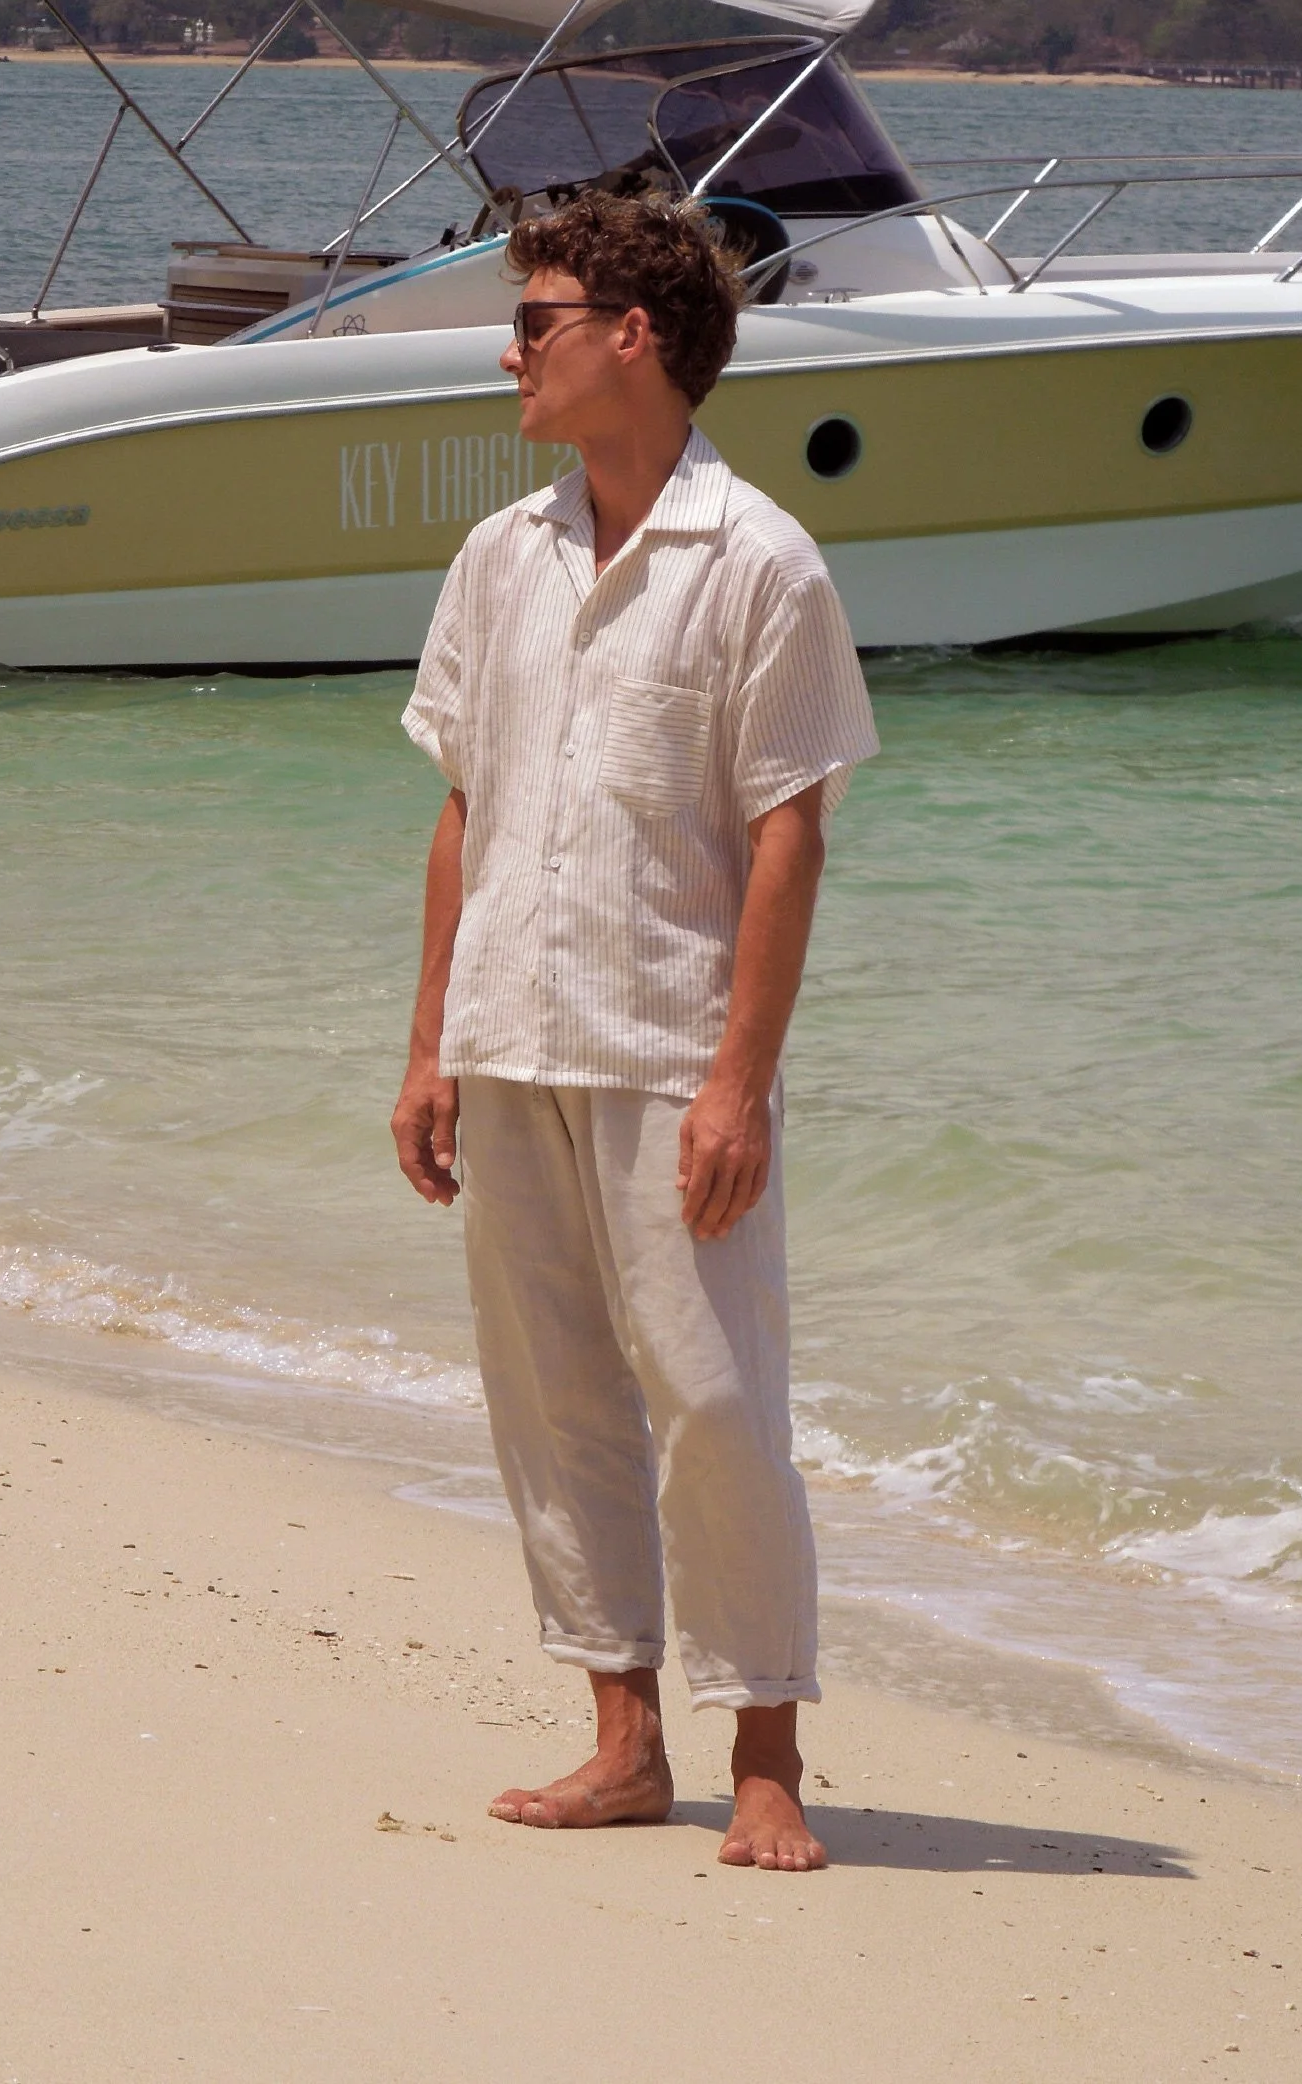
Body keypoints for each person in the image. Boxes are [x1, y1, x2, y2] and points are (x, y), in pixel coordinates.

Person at [392, 191, 877, 1873]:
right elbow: (464, 805)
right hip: (508, 1031)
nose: (508, 352)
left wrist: (740, 1080)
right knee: (553, 1403)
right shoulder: (498, 557)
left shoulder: (760, 562)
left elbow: (788, 833)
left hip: (670, 1047)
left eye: (534, 320)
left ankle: (767, 1756)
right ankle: (622, 1744)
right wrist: (427, 1046)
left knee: (718, 1403)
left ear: (633, 336)